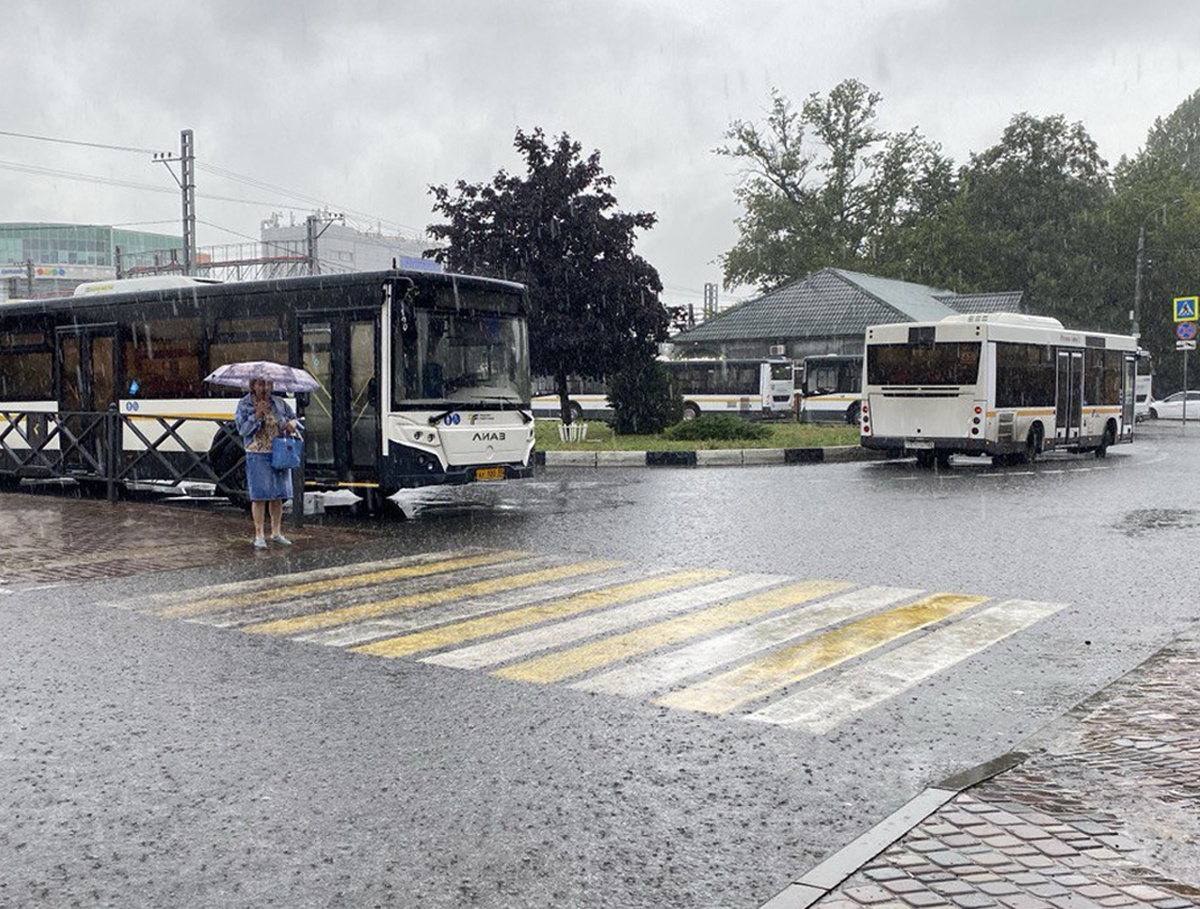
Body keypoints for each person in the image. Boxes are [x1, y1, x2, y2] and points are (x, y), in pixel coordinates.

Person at [234, 378, 299, 549]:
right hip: (257, 452)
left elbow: (292, 419)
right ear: (252, 386)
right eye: (261, 384)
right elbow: (242, 430)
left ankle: (276, 532)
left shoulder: (278, 403)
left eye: (269, 384)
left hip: (279, 451)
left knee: (278, 495)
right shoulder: (244, 404)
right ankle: (259, 534)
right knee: (259, 496)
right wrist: (256, 415)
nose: (265, 388)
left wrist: (292, 424)